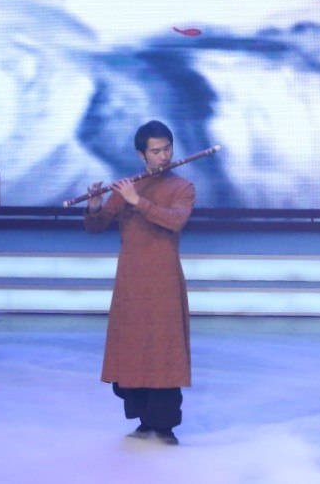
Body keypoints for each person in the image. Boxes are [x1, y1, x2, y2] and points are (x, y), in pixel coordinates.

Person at [84, 120, 195, 446]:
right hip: (131, 281)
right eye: (156, 151)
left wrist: (137, 201)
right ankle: (145, 421)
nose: (163, 156)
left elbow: (175, 220)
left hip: (163, 281)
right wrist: (94, 206)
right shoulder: (127, 187)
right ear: (141, 154)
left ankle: (165, 426)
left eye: (167, 149)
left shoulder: (182, 187)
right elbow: (97, 227)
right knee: (133, 348)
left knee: (163, 350)